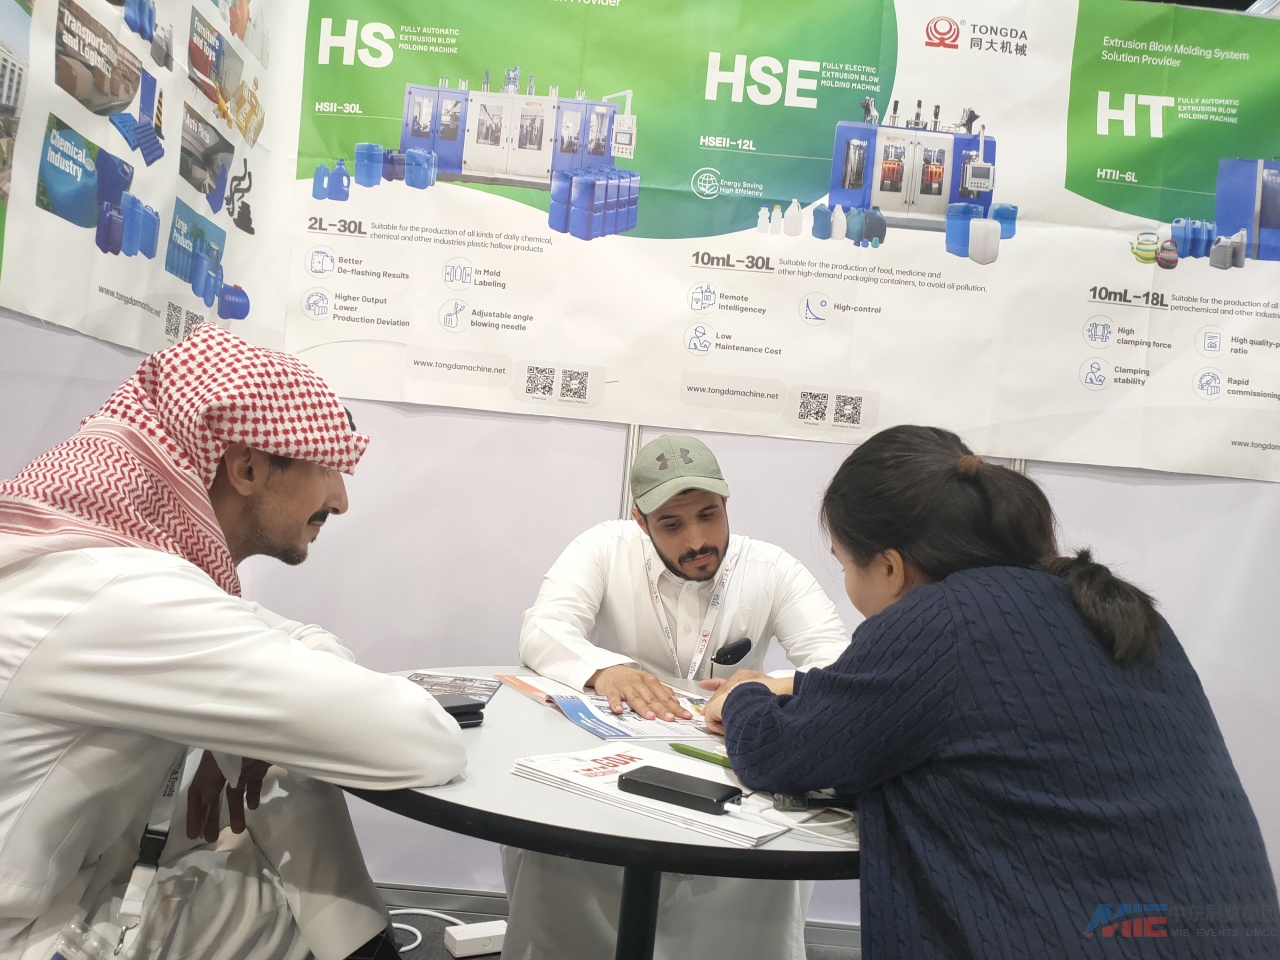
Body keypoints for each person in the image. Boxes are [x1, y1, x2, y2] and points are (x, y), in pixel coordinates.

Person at [705, 424, 1280, 960]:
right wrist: (802, 685)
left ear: (891, 568)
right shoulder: (1101, 604)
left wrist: (743, 694)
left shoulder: (940, 621)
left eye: (844, 565)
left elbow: (777, 752)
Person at [0, 322, 467, 960]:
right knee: (287, 889)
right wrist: (259, 729)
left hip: (57, 885)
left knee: (280, 788)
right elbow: (424, 742)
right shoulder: (122, 596)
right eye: (327, 467)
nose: (341, 500)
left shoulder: (92, 565)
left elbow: (302, 643)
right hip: (24, 932)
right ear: (247, 467)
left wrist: (246, 731)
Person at [504, 434, 850, 960]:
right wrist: (605, 669)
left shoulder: (772, 568)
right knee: (559, 840)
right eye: (671, 524)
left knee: (767, 848)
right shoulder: (604, 547)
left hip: (723, 759)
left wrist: (769, 684)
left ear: (726, 503)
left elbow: (836, 662)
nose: (697, 540)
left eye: (709, 515)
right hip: (617, 754)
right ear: (641, 523)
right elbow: (542, 628)